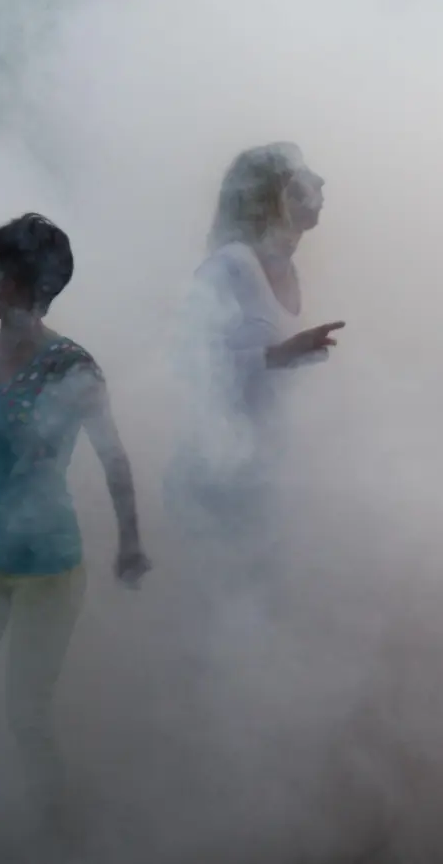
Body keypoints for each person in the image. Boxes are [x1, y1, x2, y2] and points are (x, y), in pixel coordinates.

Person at [0, 212, 150, 837]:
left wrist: (130, 544)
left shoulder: (72, 367)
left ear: (26, 280)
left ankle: (55, 835)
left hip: (46, 566)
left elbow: (113, 456)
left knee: (26, 714)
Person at [167, 142, 344, 601]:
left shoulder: (288, 269)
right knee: (221, 617)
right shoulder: (228, 267)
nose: (321, 182)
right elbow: (188, 366)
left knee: (262, 614)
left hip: (265, 477)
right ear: (274, 194)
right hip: (218, 483)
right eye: (305, 175)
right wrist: (278, 357)